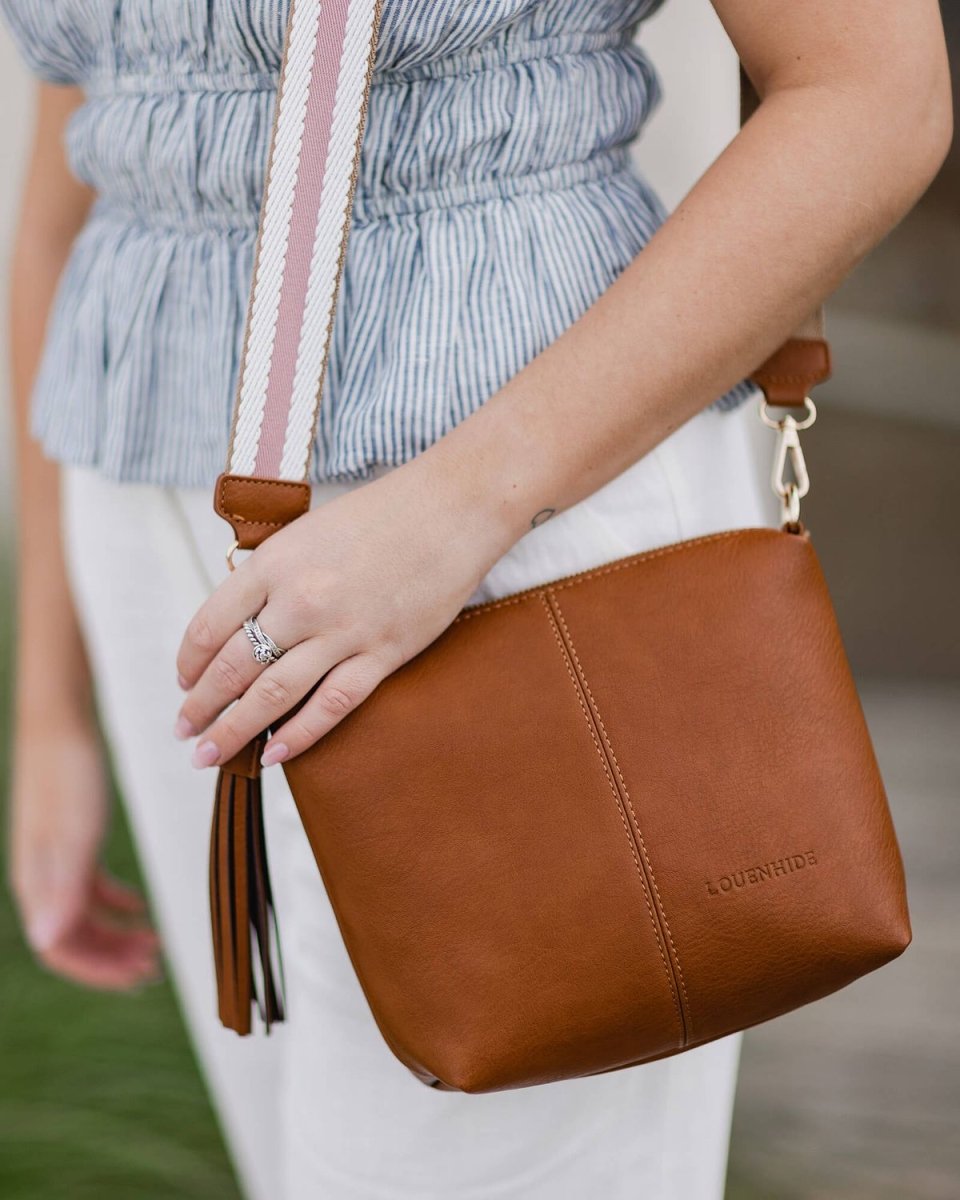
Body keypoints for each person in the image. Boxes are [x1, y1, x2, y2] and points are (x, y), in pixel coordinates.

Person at [5, 2, 950, 1198]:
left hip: (517, 534)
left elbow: (874, 90)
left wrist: (456, 509)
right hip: (155, 530)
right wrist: (53, 701)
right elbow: (81, 151)